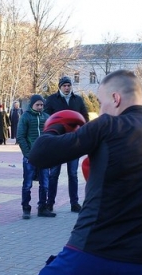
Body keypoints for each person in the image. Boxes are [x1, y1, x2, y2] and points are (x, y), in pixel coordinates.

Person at [26, 69, 142, 275]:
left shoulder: (107, 125)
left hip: (88, 257)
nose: (99, 110)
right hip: (141, 268)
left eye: (101, 102)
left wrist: (58, 125)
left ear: (116, 99)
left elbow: (39, 154)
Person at [44, 76, 89, 213]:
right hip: (57, 141)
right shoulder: (52, 100)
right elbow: (47, 118)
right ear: (60, 87)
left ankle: (74, 203)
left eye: (69, 85)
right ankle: (50, 202)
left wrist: (81, 130)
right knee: (54, 174)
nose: (67, 88)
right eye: (64, 85)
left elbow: (84, 117)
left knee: (73, 174)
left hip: (73, 142)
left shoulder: (78, 100)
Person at [16, 94, 56, 219]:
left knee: (45, 183)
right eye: (37, 105)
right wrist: (28, 154)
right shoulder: (25, 117)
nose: (40, 107)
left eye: (41, 105)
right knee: (28, 184)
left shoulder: (46, 117)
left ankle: (42, 207)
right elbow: (21, 137)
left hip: (43, 157)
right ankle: (26, 208)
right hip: (30, 157)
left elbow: (52, 134)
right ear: (32, 105)